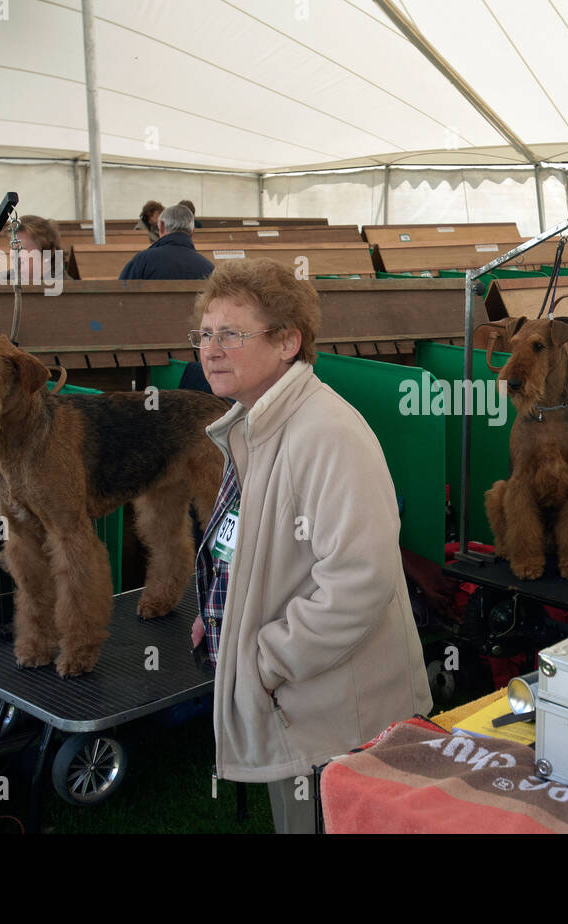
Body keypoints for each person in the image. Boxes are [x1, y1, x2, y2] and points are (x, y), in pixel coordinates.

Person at [190, 259, 431, 833]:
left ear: (287, 342)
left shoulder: (325, 433)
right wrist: (217, 614)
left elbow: (358, 581)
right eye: (204, 333)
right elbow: (252, 543)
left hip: (333, 719)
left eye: (232, 334)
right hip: (298, 704)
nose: (211, 349)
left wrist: (265, 660)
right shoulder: (255, 424)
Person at [118, 204, 214, 280]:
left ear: (162, 226)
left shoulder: (142, 261)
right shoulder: (208, 268)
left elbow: (120, 293)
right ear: (192, 232)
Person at [12, 215, 65, 284]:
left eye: (22, 249)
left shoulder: (68, 289)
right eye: (13, 248)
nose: (14, 255)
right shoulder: (6, 280)